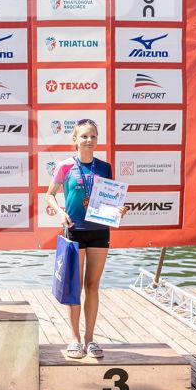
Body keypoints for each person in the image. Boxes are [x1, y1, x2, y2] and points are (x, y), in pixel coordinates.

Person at [45, 119, 125, 359]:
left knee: (92, 286)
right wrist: (60, 213)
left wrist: (118, 210)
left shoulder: (105, 167)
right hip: (74, 230)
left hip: (100, 231)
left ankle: (90, 339)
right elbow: (49, 195)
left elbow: (110, 199)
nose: (89, 140)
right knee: (74, 287)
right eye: (84, 136)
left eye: (93, 136)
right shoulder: (65, 166)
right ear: (75, 140)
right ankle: (75, 338)